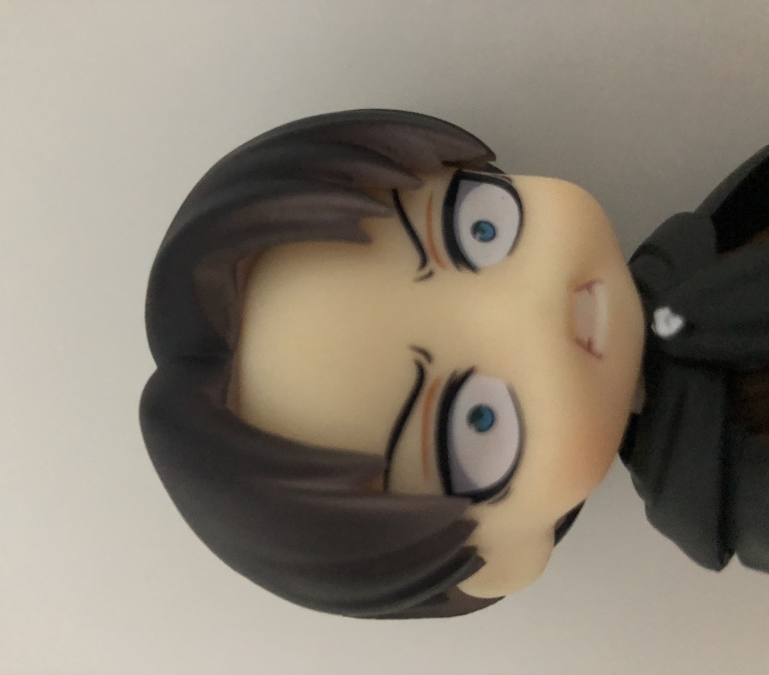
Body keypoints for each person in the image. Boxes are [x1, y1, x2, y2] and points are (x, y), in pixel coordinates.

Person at [140, 109, 769, 618]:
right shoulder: (733, 492)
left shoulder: (721, 231)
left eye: (478, 230)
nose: (534, 315)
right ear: (505, 561)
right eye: (478, 420)